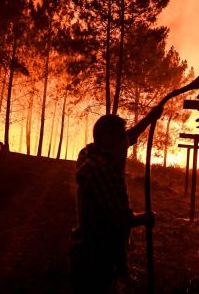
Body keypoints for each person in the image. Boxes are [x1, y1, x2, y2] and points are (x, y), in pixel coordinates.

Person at [70, 105, 163, 293]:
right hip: (98, 252)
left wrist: (150, 118)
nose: (126, 142)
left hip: (89, 247)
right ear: (108, 139)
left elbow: (130, 136)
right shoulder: (102, 170)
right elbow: (122, 219)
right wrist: (145, 217)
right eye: (122, 138)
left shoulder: (92, 153)